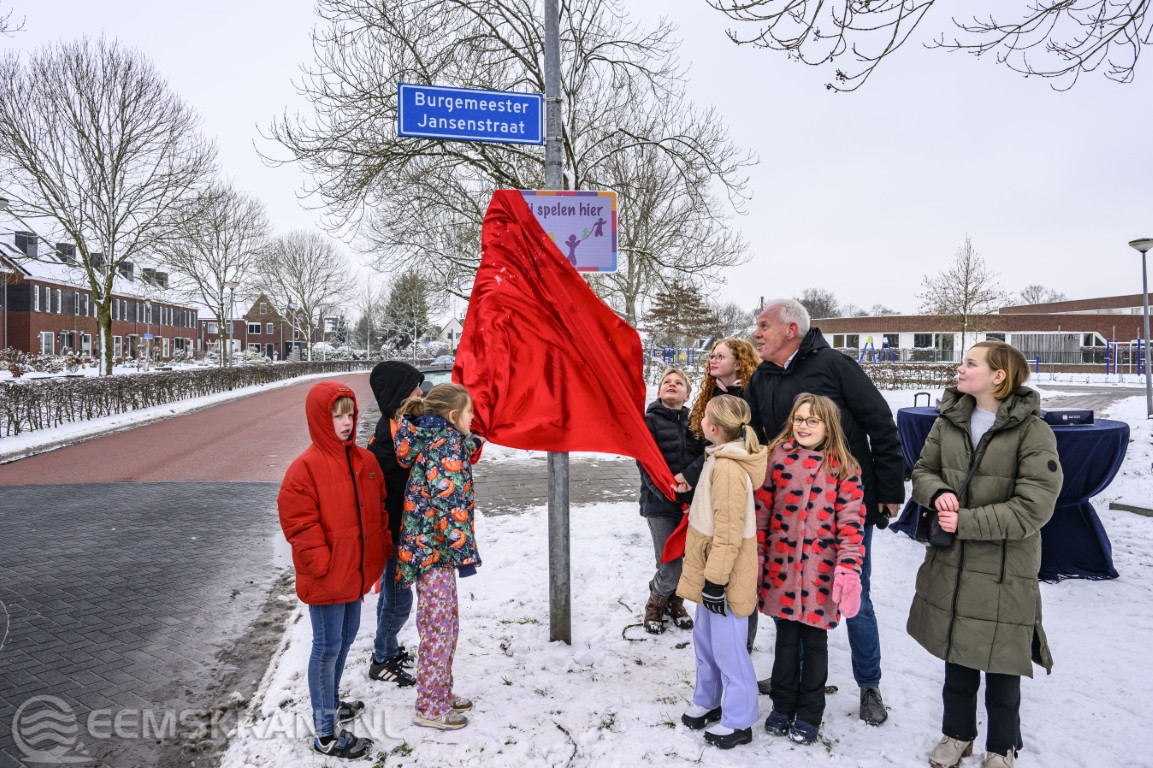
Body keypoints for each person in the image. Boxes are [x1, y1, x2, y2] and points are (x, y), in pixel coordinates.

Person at [745, 298, 904, 725]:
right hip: (788, 514)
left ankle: (869, 683)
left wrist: (888, 487)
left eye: (763, 325)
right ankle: (791, 678)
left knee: (853, 593)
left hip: (843, 507)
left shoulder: (835, 366)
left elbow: (879, 422)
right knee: (788, 592)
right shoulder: (762, 377)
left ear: (790, 329)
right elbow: (752, 436)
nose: (755, 333)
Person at [908, 341, 1060, 768]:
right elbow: (922, 470)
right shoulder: (950, 420)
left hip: (1003, 569)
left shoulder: (1034, 432)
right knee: (957, 653)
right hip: (952, 563)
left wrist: (967, 523)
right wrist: (936, 492)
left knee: (1001, 663)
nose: (960, 368)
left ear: (999, 376)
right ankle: (957, 735)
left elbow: (1034, 508)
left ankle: (1002, 747)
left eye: (970, 363)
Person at [277, 381, 390, 759]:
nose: (345, 422)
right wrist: (323, 565)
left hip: (354, 575)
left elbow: (379, 512)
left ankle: (332, 700)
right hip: (328, 579)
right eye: (336, 415)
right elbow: (299, 525)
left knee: (345, 641)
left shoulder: (365, 461)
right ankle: (325, 732)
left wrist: (377, 553)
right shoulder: (304, 469)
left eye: (349, 413)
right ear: (320, 419)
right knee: (326, 648)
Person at [757, 393, 865, 746]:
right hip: (782, 569)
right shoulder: (778, 458)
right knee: (785, 641)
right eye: (798, 419)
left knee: (815, 643)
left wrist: (848, 570)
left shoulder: (844, 467)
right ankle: (782, 706)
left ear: (828, 426)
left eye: (812, 421)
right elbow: (761, 513)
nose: (803, 426)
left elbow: (851, 524)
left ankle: (809, 713)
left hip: (821, 572)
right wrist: (757, 557)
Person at [676, 395, 768, 750]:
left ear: (713, 428)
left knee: (729, 649)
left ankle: (739, 719)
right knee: (706, 641)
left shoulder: (728, 468)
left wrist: (716, 582)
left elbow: (729, 533)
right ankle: (709, 699)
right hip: (710, 570)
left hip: (724, 577)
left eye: (703, 419)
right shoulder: (716, 458)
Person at [394, 382, 484, 730]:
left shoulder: (440, 440)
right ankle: (430, 706)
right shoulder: (445, 445)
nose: (473, 418)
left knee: (447, 625)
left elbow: (461, 449)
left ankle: (441, 692)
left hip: (432, 550)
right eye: (469, 413)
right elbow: (452, 504)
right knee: (438, 629)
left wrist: (473, 441)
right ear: (451, 416)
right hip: (433, 552)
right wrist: (465, 555)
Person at [684, 337, 761, 648]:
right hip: (708, 488)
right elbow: (695, 443)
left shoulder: (754, 395)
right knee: (711, 558)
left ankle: (742, 641)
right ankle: (716, 639)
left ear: (739, 361)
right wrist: (687, 475)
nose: (712, 360)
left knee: (740, 565)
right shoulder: (708, 398)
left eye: (720, 356)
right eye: (711, 356)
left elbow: (751, 443)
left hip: (739, 487)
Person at [366, 361, 425, 687]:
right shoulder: (387, 445)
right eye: (415, 387)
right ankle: (381, 660)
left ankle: (386, 648)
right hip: (396, 536)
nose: (421, 392)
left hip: (401, 534)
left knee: (392, 597)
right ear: (401, 397)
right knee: (399, 600)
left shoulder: (398, 431)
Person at [639, 366, 704, 634]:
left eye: (679, 383)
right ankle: (655, 604)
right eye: (667, 381)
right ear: (658, 391)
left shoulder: (695, 423)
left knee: (687, 561)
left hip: (691, 504)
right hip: (660, 505)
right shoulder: (649, 422)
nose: (672, 384)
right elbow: (645, 465)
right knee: (669, 563)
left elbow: (706, 456)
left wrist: (687, 489)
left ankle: (674, 602)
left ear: (687, 395)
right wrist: (669, 494)